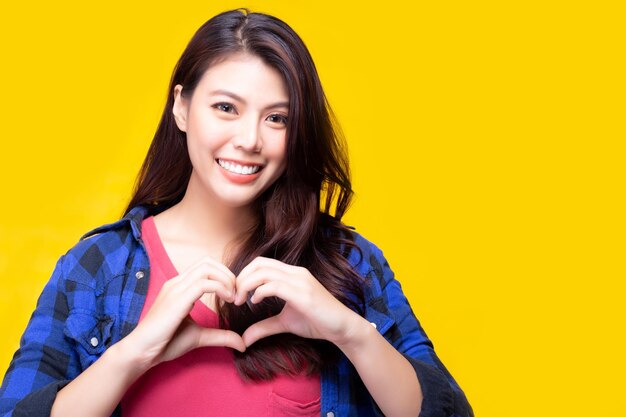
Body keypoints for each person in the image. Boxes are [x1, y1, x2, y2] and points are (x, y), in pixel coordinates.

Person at [0, 9, 472, 417]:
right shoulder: (97, 268)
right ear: (181, 109)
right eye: (226, 107)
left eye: (277, 118)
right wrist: (134, 354)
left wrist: (350, 332)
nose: (249, 139)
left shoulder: (348, 264)